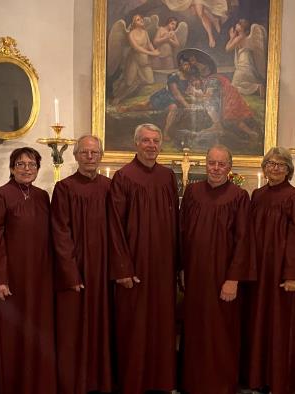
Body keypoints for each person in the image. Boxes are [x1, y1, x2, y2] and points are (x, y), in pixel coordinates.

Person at [108, 123, 180, 394]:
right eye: (146, 141)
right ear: (136, 143)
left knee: (162, 324)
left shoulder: (167, 176)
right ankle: (133, 382)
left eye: (156, 141)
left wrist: (177, 263)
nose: (151, 145)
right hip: (134, 265)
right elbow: (114, 225)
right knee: (134, 325)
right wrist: (122, 267)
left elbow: (175, 222)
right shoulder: (123, 177)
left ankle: (162, 381)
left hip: (162, 265)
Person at [179, 145, 254, 394]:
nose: (216, 168)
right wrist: (181, 267)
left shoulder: (239, 196)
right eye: (212, 163)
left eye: (222, 164)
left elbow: (244, 239)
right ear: (205, 164)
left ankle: (221, 385)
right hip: (195, 276)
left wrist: (233, 279)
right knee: (195, 330)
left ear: (229, 168)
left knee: (222, 333)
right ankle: (194, 383)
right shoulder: (192, 192)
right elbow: (181, 232)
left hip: (223, 278)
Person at [0, 147, 56, 394]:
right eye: (21, 164)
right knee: (10, 335)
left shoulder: (42, 196)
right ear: (12, 168)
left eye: (32, 164)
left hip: (39, 278)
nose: (27, 169)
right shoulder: (0, 195)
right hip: (10, 278)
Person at [245, 147, 295, 394]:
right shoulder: (257, 195)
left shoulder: (294, 197)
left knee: (281, 326)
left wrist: (293, 274)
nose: (274, 168)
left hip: (282, 275)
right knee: (258, 324)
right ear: (264, 168)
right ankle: (258, 378)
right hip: (259, 272)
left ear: (289, 169)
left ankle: (280, 381)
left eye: (280, 165)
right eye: (270, 164)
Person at [51, 135, 113, 394]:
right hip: (75, 269)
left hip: (105, 269)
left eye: (94, 152)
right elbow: (60, 232)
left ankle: (102, 381)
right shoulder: (64, 188)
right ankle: (75, 383)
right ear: (75, 156)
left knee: (103, 325)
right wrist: (70, 271)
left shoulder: (111, 187)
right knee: (74, 328)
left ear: (100, 156)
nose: (90, 157)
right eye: (85, 152)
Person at [111, 14, 160, 105]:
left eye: (141, 18)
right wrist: (151, 53)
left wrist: (154, 51)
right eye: (138, 19)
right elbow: (136, 48)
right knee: (129, 82)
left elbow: (149, 44)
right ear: (134, 23)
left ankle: (136, 90)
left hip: (144, 60)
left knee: (150, 80)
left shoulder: (145, 32)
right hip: (134, 60)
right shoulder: (131, 34)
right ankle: (118, 97)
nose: (141, 20)